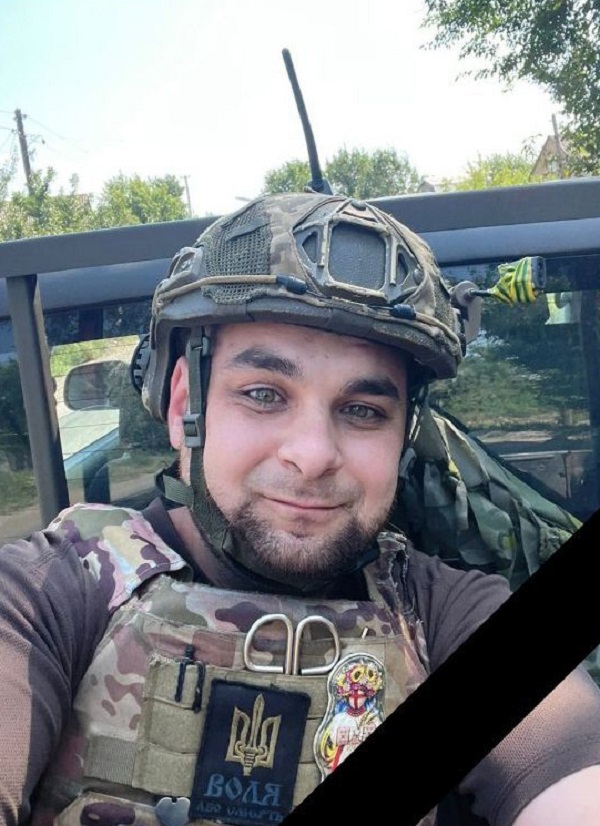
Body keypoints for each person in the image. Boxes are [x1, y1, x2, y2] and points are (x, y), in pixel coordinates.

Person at [1, 192, 600, 826]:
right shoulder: (56, 595)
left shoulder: (442, 615)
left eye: (363, 411)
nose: (313, 455)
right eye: (264, 394)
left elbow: (571, 772)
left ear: (403, 436)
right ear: (183, 406)